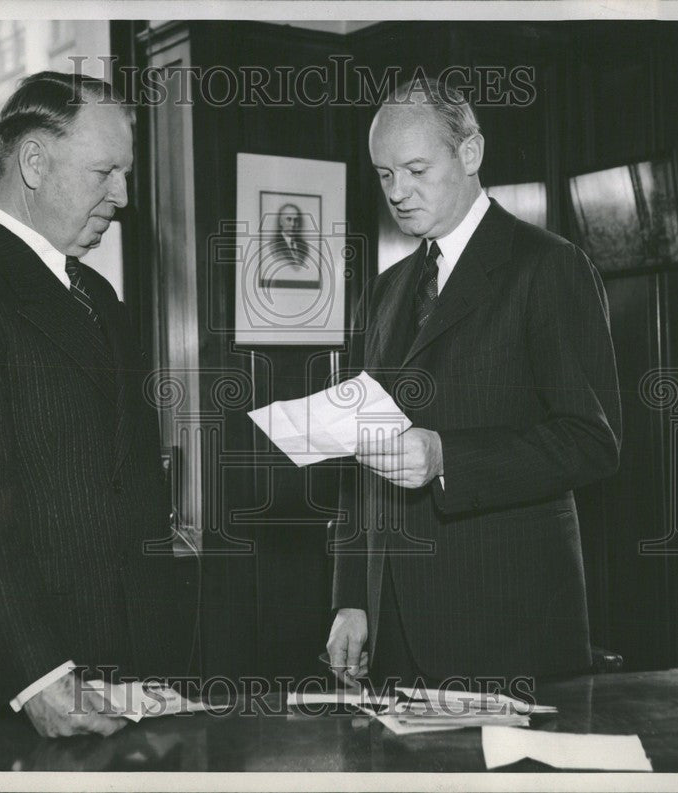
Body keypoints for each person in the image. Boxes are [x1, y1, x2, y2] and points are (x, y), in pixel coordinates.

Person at [0, 71, 195, 737]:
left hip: (126, 686)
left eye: (126, 173)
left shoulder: (100, 300)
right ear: (34, 161)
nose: (121, 195)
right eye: (104, 171)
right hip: (18, 690)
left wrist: (158, 666)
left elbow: (129, 491)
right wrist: (40, 678)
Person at [326, 78, 621, 690]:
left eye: (414, 169)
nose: (398, 193)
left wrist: (446, 458)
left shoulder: (548, 266)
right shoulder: (386, 289)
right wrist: (351, 596)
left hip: (507, 623)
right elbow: (362, 450)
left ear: (470, 154)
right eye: (384, 175)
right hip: (393, 630)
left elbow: (592, 441)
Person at [257, 202, 321, 289]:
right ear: (280, 221)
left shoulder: (304, 247)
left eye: (296, 220)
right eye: (289, 219)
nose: (293, 224)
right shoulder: (274, 245)